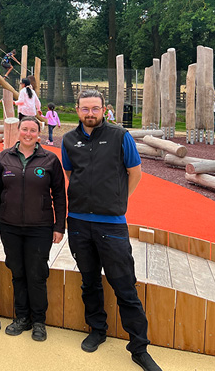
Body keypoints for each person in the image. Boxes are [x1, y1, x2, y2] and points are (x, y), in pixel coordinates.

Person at [61, 89, 161, 371]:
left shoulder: (120, 136)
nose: (90, 113)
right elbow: (70, 174)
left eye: (95, 108)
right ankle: (97, 329)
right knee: (89, 280)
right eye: (85, 109)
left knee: (124, 285)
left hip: (112, 224)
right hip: (79, 222)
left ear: (104, 109)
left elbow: (135, 172)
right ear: (77, 110)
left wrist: (118, 201)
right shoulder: (69, 140)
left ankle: (139, 347)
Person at [0, 116, 66, 342]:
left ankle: (39, 321)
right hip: (10, 226)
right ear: (18, 131)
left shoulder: (50, 160)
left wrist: (59, 225)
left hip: (40, 227)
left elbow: (60, 196)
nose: (28, 134)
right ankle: (21, 317)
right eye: (25, 129)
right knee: (17, 272)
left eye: (33, 130)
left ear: (38, 134)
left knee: (37, 273)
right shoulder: (4, 157)